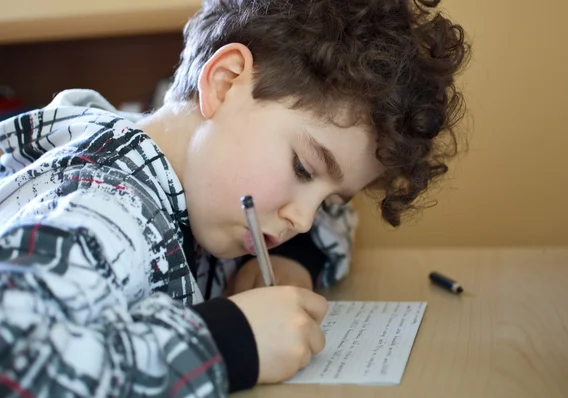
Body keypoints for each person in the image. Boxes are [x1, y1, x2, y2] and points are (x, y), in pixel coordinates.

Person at [0, 0, 469, 396]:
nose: (304, 219)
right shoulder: (107, 205)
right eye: (303, 169)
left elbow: (335, 228)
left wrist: (294, 261)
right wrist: (228, 344)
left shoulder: (210, 192)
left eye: (330, 199)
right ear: (224, 83)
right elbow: (14, 360)